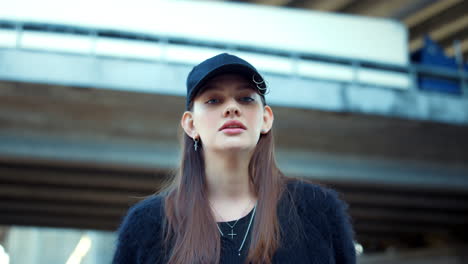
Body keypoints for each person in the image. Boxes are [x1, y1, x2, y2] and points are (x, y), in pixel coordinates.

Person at [112, 53, 356, 264]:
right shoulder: (148, 225)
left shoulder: (318, 209)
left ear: (265, 119)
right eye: (214, 100)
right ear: (190, 124)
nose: (231, 108)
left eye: (246, 98)